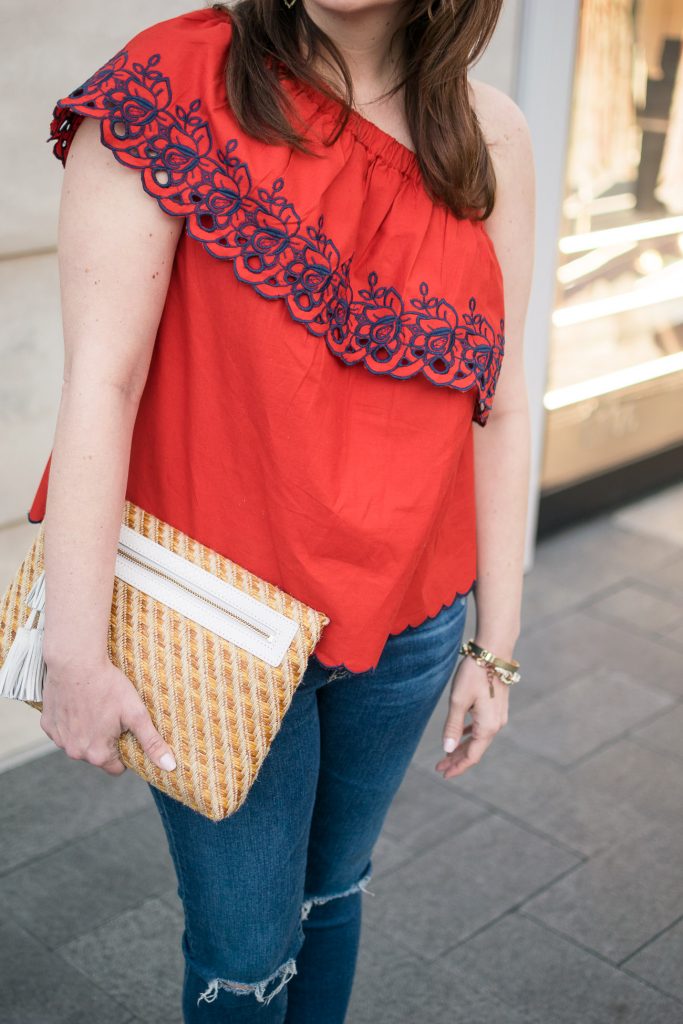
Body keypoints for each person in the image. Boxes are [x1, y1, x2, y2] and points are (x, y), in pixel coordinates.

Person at [29, 0, 534, 1019]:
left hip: (411, 617)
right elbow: (103, 384)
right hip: (214, 620)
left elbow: (503, 396)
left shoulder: (491, 136)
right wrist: (74, 652)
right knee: (245, 948)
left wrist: (496, 642)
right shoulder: (174, 78)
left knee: (333, 891)